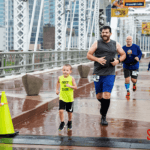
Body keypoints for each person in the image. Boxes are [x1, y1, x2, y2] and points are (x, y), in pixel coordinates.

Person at [87, 26, 126, 125]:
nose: (104, 34)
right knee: (99, 96)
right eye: (103, 32)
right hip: (98, 72)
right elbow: (89, 55)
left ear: (110, 34)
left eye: (106, 32)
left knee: (107, 95)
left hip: (110, 73)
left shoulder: (115, 44)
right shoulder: (97, 43)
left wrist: (118, 61)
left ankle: (103, 116)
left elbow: (123, 54)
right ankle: (104, 106)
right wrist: (98, 59)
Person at [56, 64, 77, 131]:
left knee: (69, 112)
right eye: (64, 70)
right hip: (62, 97)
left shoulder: (72, 78)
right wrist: (57, 89)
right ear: (62, 70)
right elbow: (58, 83)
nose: (65, 71)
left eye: (67, 70)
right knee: (61, 111)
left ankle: (69, 122)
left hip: (70, 98)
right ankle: (62, 122)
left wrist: (70, 86)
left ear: (70, 71)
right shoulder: (60, 77)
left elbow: (75, 87)